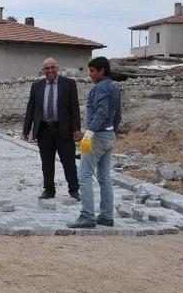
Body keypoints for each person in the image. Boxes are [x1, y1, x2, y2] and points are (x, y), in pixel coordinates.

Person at [68, 56, 122, 229]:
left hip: (97, 136)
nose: (90, 74)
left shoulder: (99, 88)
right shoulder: (115, 87)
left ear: (102, 71)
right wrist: (113, 131)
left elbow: (101, 112)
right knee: (104, 177)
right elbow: (118, 115)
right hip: (108, 136)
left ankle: (87, 216)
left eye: (92, 71)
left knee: (84, 175)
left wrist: (89, 133)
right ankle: (106, 215)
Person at [22, 57, 82, 200]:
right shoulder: (37, 85)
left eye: (52, 67)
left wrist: (76, 128)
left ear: (57, 68)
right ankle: (49, 190)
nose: (50, 71)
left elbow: (74, 107)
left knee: (68, 161)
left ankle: (73, 190)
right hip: (44, 129)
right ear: (43, 71)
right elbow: (31, 108)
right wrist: (26, 129)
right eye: (46, 68)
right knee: (47, 162)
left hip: (64, 129)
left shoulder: (69, 84)